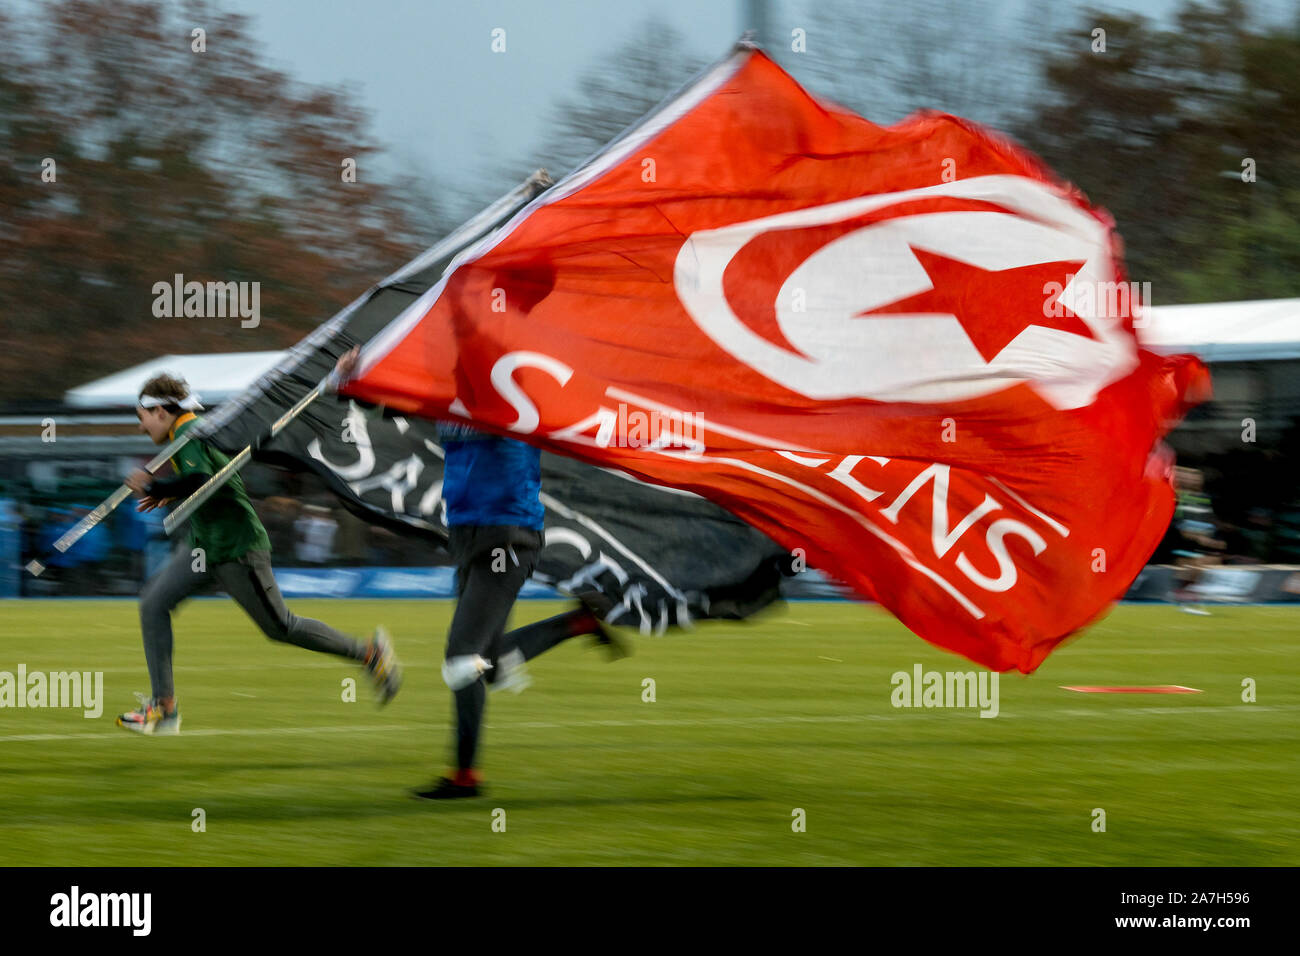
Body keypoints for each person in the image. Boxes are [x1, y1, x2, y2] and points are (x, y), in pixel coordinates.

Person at [331, 347, 623, 799]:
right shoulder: (455, 397)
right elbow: (396, 405)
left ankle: (466, 777)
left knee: (461, 661)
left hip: (508, 537)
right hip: (468, 535)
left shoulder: (511, 397)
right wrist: (352, 380)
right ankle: (578, 622)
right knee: (484, 665)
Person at [116, 373, 401, 735]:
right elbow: (207, 481)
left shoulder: (189, 433)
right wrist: (169, 491)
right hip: (205, 547)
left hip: (237, 548)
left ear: (158, 410)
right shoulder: (189, 432)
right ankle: (164, 708)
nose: (142, 429)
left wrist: (155, 484)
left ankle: (369, 654)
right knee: (153, 603)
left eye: (141, 418)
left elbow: (202, 480)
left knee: (281, 627)